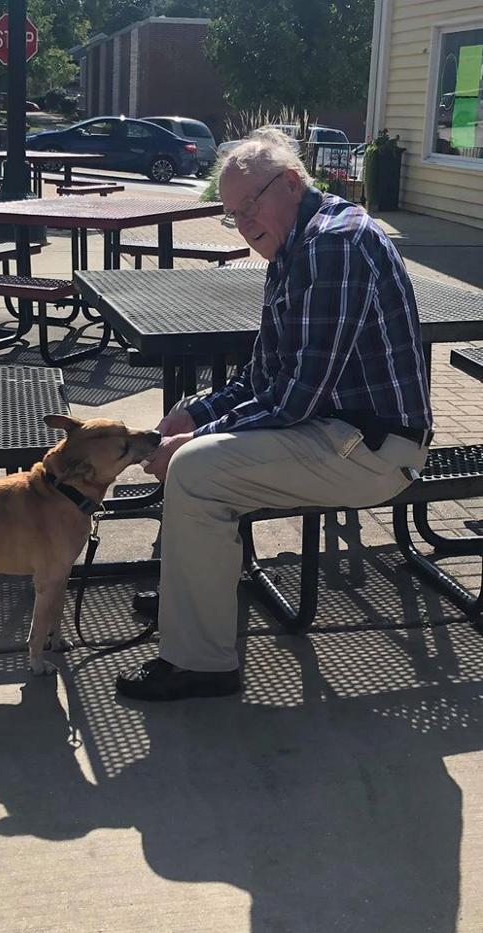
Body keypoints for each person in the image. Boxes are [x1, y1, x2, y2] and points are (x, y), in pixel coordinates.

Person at [116, 127, 433, 702]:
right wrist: (195, 415)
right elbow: (264, 378)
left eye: (249, 206)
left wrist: (193, 442)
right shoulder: (297, 245)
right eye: (231, 215)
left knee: (197, 468)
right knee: (190, 435)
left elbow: (296, 400)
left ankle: (202, 663)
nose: (242, 225)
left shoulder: (334, 244)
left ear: (290, 182)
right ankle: (193, 594)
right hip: (335, 433)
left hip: (375, 450)